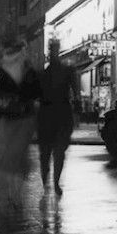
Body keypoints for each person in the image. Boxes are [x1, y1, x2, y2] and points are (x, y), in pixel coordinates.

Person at [0, 37, 41, 209]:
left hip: (10, 118)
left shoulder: (2, 69)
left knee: (11, 156)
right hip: (23, 118)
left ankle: (12, 193)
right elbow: (36, 93)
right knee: (19, 156)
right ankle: (15, 194)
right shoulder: (27, 70)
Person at [38, 39, 80, 196]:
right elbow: (75, 90)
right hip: (56, 115)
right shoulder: (53, 72)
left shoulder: (47, 73)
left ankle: (51, 182)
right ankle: (52, 182)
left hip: (53, 116)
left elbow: (75, 90)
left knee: (51, 153)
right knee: (52, 153)